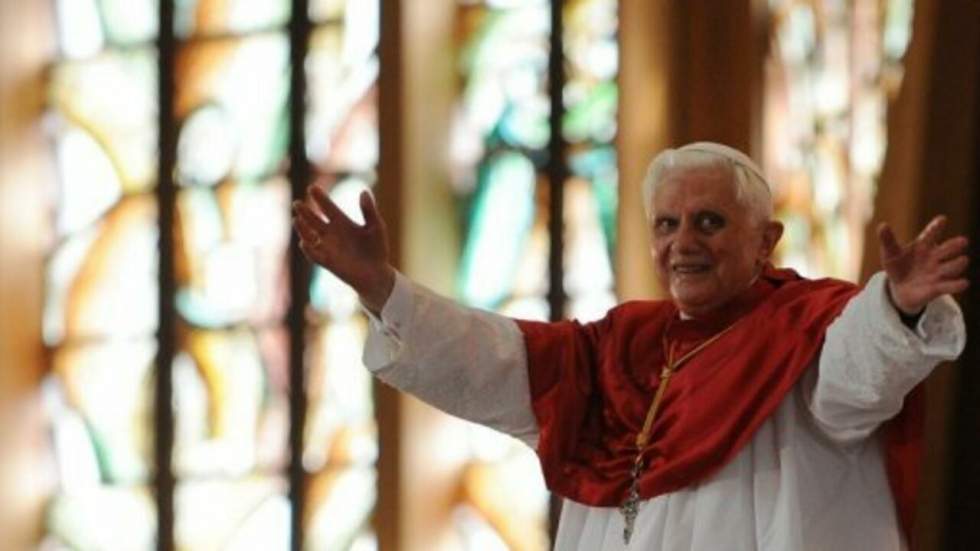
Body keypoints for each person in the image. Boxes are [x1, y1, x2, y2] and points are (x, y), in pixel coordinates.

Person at [292, 142, 969, 550]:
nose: (684, 241)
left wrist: (895, 307)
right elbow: (493, 356)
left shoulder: (807, 326)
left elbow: (856, 384)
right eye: (667, 223)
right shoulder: (619, 347)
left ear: (766, 240)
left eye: (710, 221)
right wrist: (383, 288)